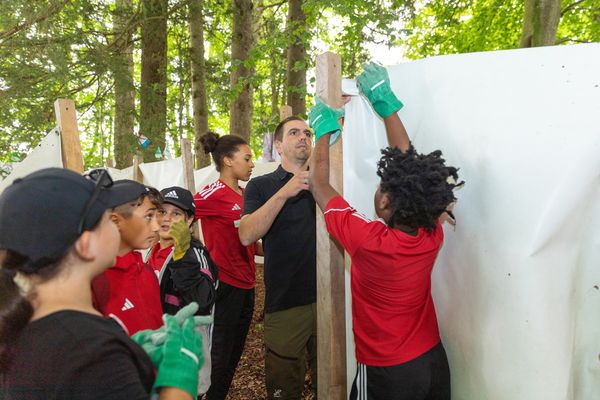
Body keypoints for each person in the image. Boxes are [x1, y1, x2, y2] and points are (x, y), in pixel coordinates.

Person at [307, 62, 462, 400]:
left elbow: (318, 184)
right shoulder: (430, 232)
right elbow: (406, 160)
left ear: (387, 204)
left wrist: (321, 133)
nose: (380, 186)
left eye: (383, 186)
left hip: (387, 374)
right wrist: (386, 105)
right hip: (432, 361)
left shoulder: (369, 242)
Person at [0, 168, 202, 399]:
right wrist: (179, 376)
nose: (115, 224)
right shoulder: (93, 354)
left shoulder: (21, 326)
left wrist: (130, 352)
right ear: (86, 245)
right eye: (107, 218)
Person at [239, 119, 317, 399]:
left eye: (307, 132)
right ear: (279, 145)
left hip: (330, 301)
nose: (303, 137)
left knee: (333, 382)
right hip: (286, 303)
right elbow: (246, 235)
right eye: (294, 132)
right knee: (284, 388)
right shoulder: (261, 185)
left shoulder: (327, 181)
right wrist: (285, 192)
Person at [193, 132, 258, 400]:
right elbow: (180, 210)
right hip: (225, 285)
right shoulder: (212, 193)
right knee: (218, 354)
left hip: (249, 283)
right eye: (247, 158)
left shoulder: (245, 194)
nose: (252, 163)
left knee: (234, 353)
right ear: (228, 160)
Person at [148, 185, 219, 396]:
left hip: (185, 364)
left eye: (176, 213)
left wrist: (180, 254)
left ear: (189, 221)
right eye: (161, 211)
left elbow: (202, 302)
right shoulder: (149, 253)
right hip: (156, 357)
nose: (167, 218)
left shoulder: (195, 254)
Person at [91, 178, 164, 336]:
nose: (157, 227)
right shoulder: (95, 281)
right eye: (148, 217)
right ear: (116, 221)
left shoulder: (147, 273)